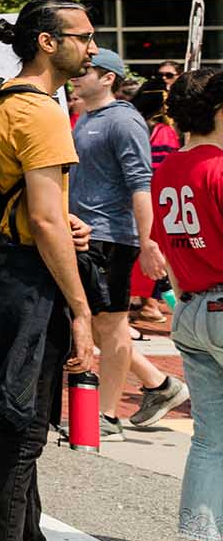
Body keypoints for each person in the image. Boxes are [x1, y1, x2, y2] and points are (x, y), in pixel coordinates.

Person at [0, 0, 100, 541]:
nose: (92, 48)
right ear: (48, 42)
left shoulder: (2, 98)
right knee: (20, 429)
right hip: (28, 279)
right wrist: (80, 309)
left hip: (1, 266)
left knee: (25, 418)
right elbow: (46, 219)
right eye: (84, 37)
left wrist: (56, 221)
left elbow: (31, 205)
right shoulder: (43, 110)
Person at [68, 50, 188, 438]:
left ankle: (107, 416)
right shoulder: (85, 117)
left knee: (112, 325)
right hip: (86, 234)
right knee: (100, 326)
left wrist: (149, 241)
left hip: (112, 236)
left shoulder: (123, 120)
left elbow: (141, 183)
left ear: (108, 78)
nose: (76, 76)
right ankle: (159, 385)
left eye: (85, 71)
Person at [150, 68, 223, 541]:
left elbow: (168, 249)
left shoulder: (170, 168)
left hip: (193, 309)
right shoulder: (221, 168)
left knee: (211, 441)